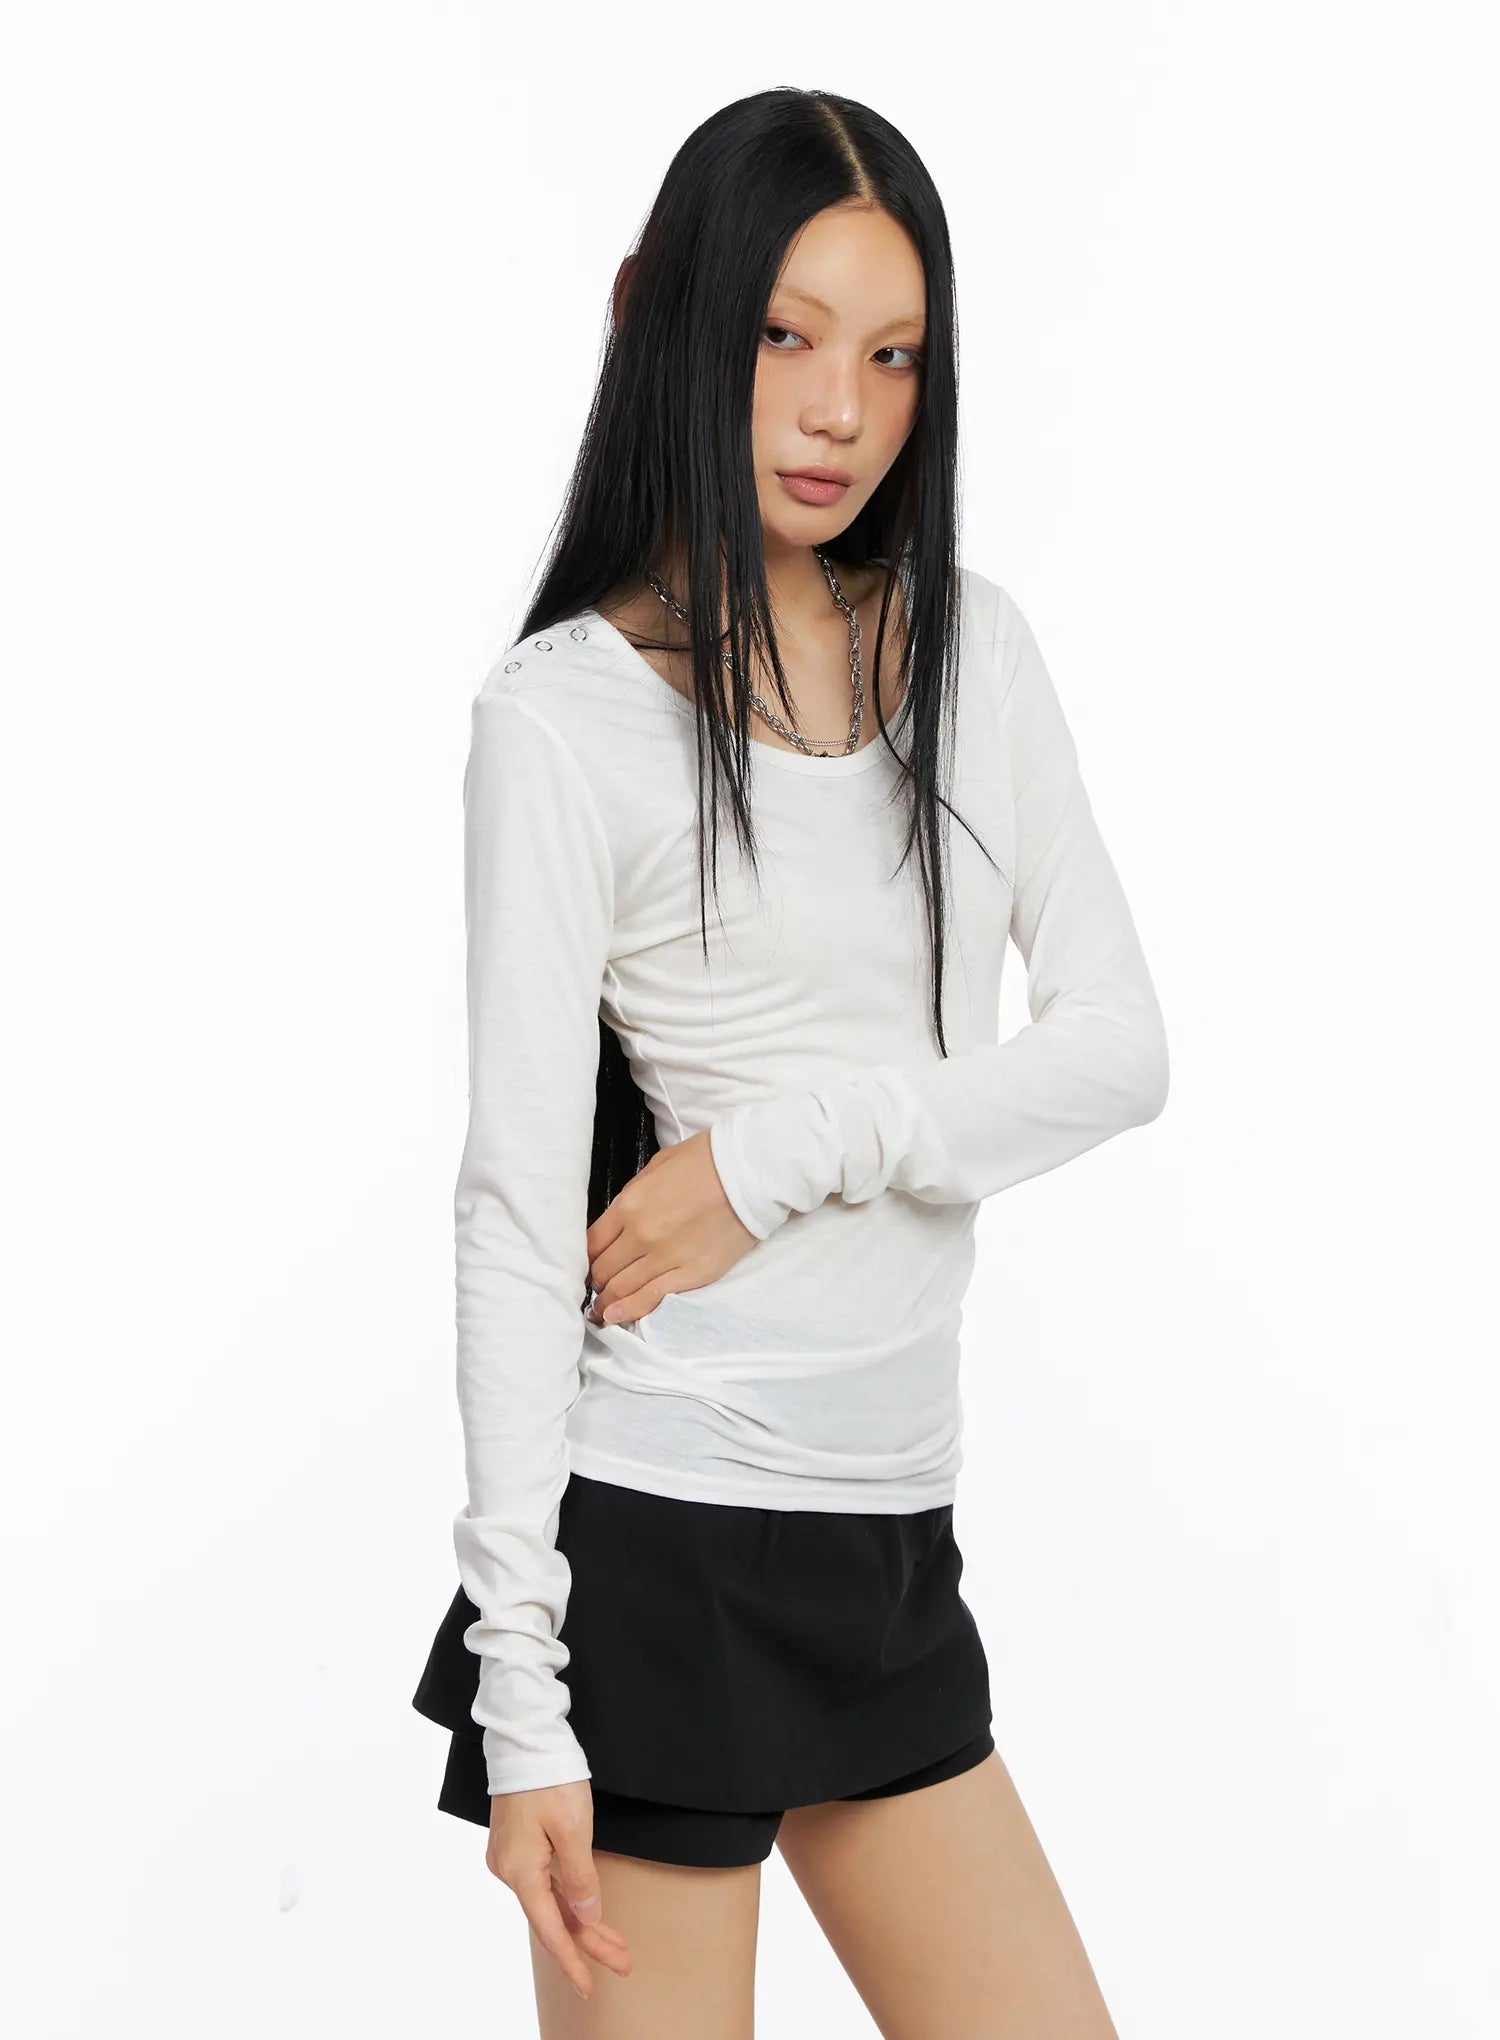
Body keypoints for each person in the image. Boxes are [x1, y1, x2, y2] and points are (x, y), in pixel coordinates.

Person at [412, 85, 1168, 2038]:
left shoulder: (973, 653)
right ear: (661, 315)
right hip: (659, 1545)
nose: (842, 408)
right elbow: (516, 1216)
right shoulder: (565, 721)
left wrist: (774, 1157)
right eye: (786, 334)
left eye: (895, 354)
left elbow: (1117, 1051)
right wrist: (524, 1702)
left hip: (893, 1540)